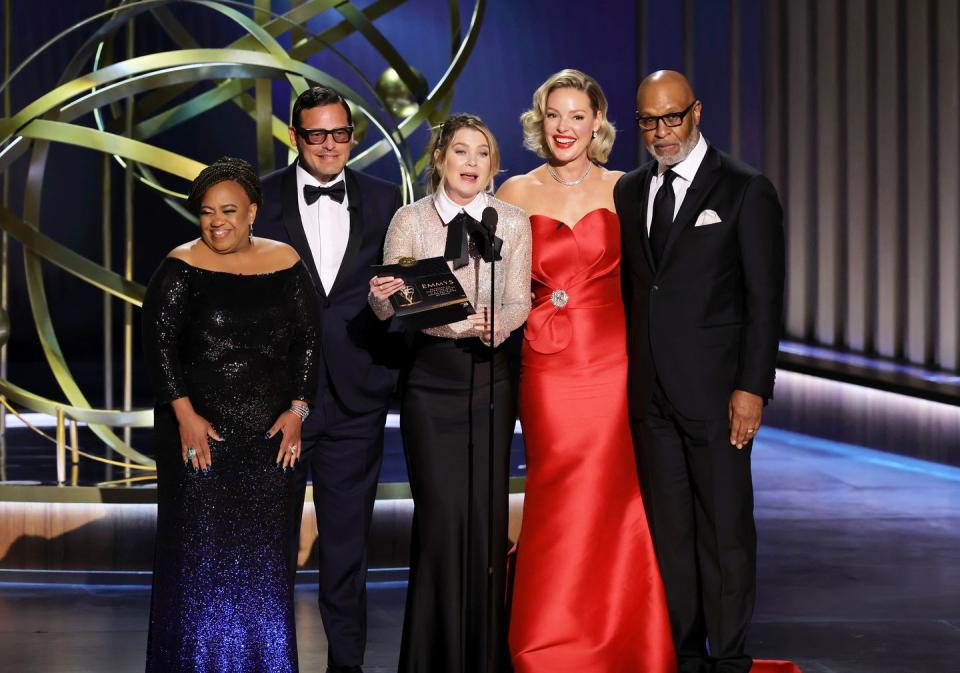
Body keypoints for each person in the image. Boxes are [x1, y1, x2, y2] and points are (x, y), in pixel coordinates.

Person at [496, 69, 676, 673]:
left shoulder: (628, 187)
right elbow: (491, 284)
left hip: (613, 359)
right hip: (545, 366)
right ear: (539, 121)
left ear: (598, 121)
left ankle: (626, 637)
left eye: (577, 115)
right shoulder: (515, 192)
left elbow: (652, 281)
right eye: (554, 115)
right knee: (555, 490)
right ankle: (547, 641)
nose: (565, 127)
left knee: (616, 495)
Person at [615, 70, 786, 673]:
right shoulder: (631, 192)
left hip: (718, 395)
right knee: (672, 533)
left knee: (725, 532)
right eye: (648, 121)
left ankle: (730, 657)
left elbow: (765, 300)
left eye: (671, 117)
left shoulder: (745, 189)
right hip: (651, 396)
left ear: (697, 113)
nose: (660, 132)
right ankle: (684, 654)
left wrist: (752, 387)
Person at [142, 157, 321, 673]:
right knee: (199, 564)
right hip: (201, 439)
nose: (216, 221)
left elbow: (308, 341)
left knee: (263, 567)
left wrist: (297, 410)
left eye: (228, 210)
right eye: (206, 212)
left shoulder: (285, 261)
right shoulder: (179, 267)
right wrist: (185, 416)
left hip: (269, 440)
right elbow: (160, 348)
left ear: (252, 212)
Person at [368, 113, 531, 673]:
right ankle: (432, 658)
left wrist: (497, 325)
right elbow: (393, 305)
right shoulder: (410, 220)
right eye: (460, 151)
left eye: (482, 154)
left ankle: (484, 657)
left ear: (493, 164)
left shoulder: (510, 219)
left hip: (491, 379)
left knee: (486, 520)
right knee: (441, 520)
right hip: (432, 385)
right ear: (439, 158)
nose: (471, 163)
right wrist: (381, 296)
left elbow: (518, 300)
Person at [257, 86, 403, 673]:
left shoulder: (387, 198)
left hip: (354, 400)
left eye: (339, 134)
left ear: (351, 136)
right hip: (275, 403)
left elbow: (398, 291)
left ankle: (347, 667)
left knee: (347, 551)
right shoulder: (258, 199)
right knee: (269, 550)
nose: (328, 146)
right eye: (316, 134)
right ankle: (268, 661)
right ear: (295, 136)